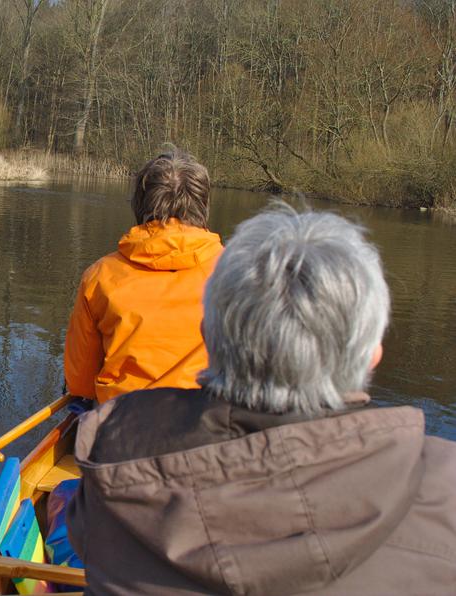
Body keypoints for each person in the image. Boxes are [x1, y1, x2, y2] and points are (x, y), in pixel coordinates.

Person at [66, 206, 456, 595]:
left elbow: (80, 533)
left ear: (208, 335)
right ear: (373, 355)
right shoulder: (445, 488)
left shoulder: (112, 455)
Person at [64, 150, 223, 403]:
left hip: (120, 426)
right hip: (208, 425)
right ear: (203, 205)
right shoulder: (237, 274)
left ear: (140, 204)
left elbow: (80, 384)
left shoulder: (99, 276)